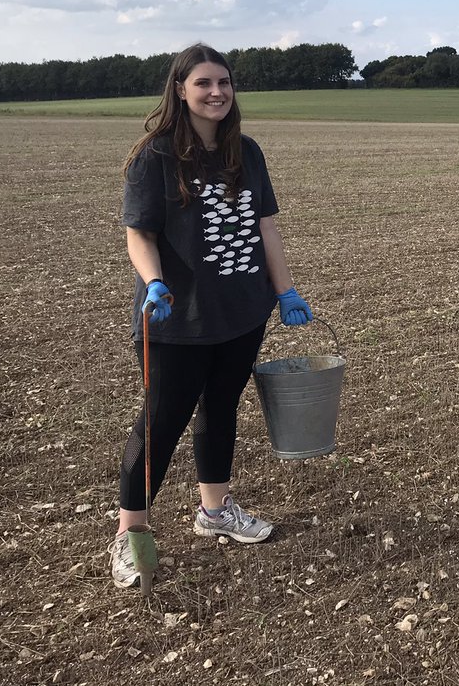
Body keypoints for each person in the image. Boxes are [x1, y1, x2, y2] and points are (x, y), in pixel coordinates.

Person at [109, 43, 313, 588]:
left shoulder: (246, 151)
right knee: (159, 424)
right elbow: (139, 233)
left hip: (243, 312)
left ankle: (215, 512)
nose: (217, 92)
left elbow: (266, 226)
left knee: (221, 410)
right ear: (180, 89)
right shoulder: (154, 156)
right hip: (177, 319)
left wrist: (285, 291)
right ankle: (131, 535)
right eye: (204, 83)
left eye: (224, 82)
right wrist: (153, 281)